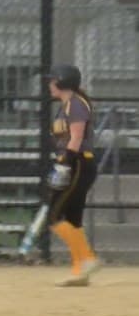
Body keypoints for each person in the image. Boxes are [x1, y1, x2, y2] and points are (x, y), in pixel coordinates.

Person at [45, 64, 101, 287]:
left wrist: (65, 164)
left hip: (78, 163)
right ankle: (80, 272)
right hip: (73, 162)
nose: (50, 84)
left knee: (55, 216)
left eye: (52, 80)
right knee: (72, 219)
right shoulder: (66, 105)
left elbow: (76, 137)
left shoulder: (76, 104)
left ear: (62, 81)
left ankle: (87, 258)